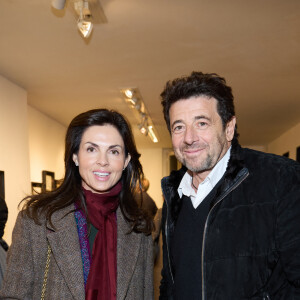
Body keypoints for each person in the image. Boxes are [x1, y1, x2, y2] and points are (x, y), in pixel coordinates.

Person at [159, 72, 300, 299]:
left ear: (229, 128)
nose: (189, 137)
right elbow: (170, 282)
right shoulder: (173, 196)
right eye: (178, 127)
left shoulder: (281, 180)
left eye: (201, 123)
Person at [0, 109, 154, 300]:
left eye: (114, 151)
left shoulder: (139, 227)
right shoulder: (37, 220)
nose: (103, 161)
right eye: (91, 149)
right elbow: (13, 295)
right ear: (75, 156)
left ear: (126, 161)